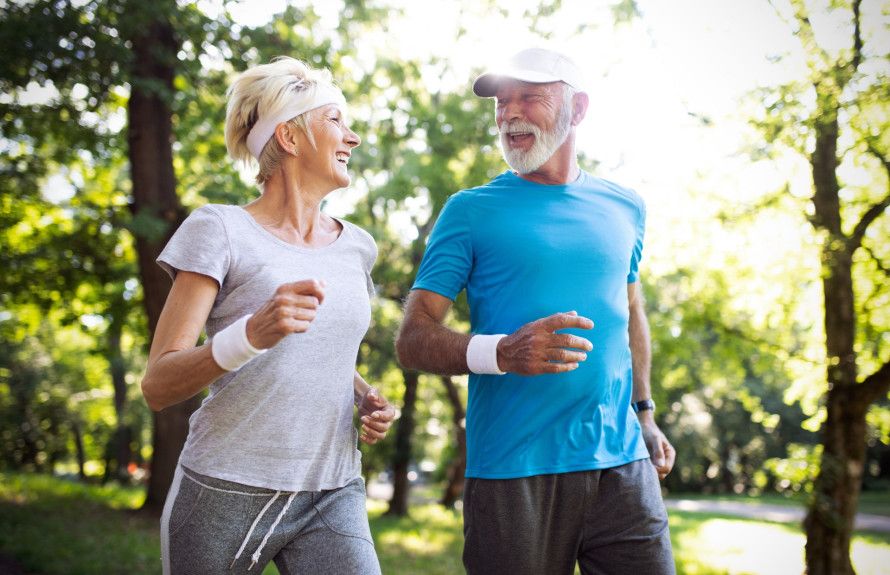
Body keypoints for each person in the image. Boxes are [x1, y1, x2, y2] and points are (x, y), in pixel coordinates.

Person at [396, 48, 677, 575]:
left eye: (530, 97)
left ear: (579, 108)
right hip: (512, 470)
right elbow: (412, 338)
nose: (509, 113)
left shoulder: (627, 206)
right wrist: (501, 352)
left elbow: (630, 310)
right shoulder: (470, 210)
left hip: (622, 463)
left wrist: (645, 413)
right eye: (502, 102)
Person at [140, 56, 395, 575]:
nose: (354, 137)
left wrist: (363, 395)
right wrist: (250, 335)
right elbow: (158, 384)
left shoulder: (358, 248)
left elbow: (314, 349)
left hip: (333, 488)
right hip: (224, 488)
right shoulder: (221, 229)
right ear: (291, 137)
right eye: (336, 121)